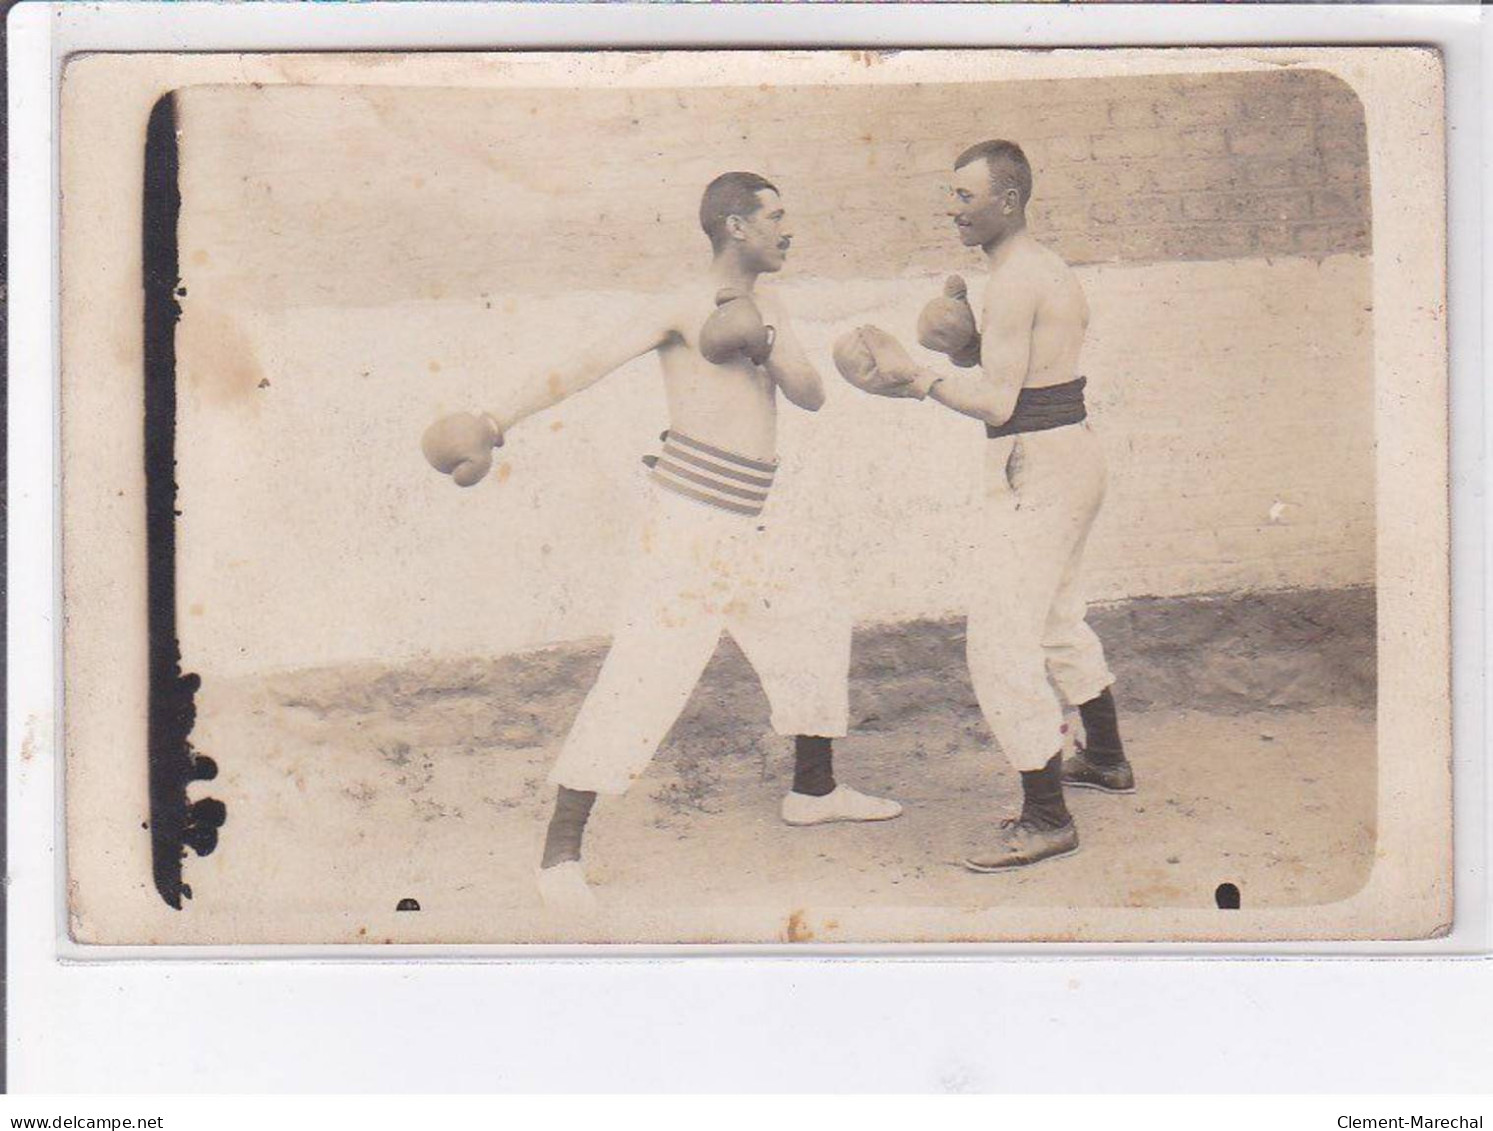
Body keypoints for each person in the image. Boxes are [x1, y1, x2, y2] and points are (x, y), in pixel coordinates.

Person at [423, 172, 902, 911]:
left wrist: (764, 340)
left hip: (751, 521)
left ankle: (813, 789)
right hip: (688, 525)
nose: (788, 228)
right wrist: (493, 420)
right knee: (646, 674)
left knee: (812, 621)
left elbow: (810, 393)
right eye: (775, 215)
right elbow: (586, 363)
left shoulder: (768, 302)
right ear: (735, 226)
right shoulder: (680, 304)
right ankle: (560, 852)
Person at [832, 140, 1132, 872]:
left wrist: (917, 378)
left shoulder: (1018, 278)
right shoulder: (1029, 270)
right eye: (951, 195)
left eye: (965, 197)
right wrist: (964, 350)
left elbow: (998, 403)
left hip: (1041, 464)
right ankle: (1106, 758)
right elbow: (1016, 376)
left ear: (1009, 199)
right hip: (1066, 454)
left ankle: (1045, 814)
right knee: (1056, 612)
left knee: (998, 641)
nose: (951, 209)